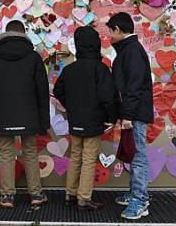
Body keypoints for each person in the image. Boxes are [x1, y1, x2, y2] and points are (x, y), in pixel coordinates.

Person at [0, 20, 50, 208]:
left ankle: (6, 196)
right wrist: (44, 121)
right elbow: (42, 91)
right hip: (30, 113)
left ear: (6, 34)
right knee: (30, 152)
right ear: (24, 34)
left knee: (6, 153)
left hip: (3, 114)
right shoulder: (34, 57)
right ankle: (36, 194)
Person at [53, 26, 118, 211]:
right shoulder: (101, 69)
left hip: (75, 119)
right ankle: (84, 199)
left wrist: (71, 106)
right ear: (96, 45)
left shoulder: (69, 69)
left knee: (75, 156)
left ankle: (70, 193)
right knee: (89, 158)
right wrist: (111, 118)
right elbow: (108, 97)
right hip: (94, 120)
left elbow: (58, 91)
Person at [106, 12, 154, 220]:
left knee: (138, 154)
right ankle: (135, 193)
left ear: (117, 29)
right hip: (132, 111)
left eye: (110, 30)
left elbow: (133, 87)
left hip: (135, 112)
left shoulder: (132, 51)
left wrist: (127, 115)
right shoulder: (128, 49)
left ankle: (140, 200)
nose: (109, 34)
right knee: (134, 152)